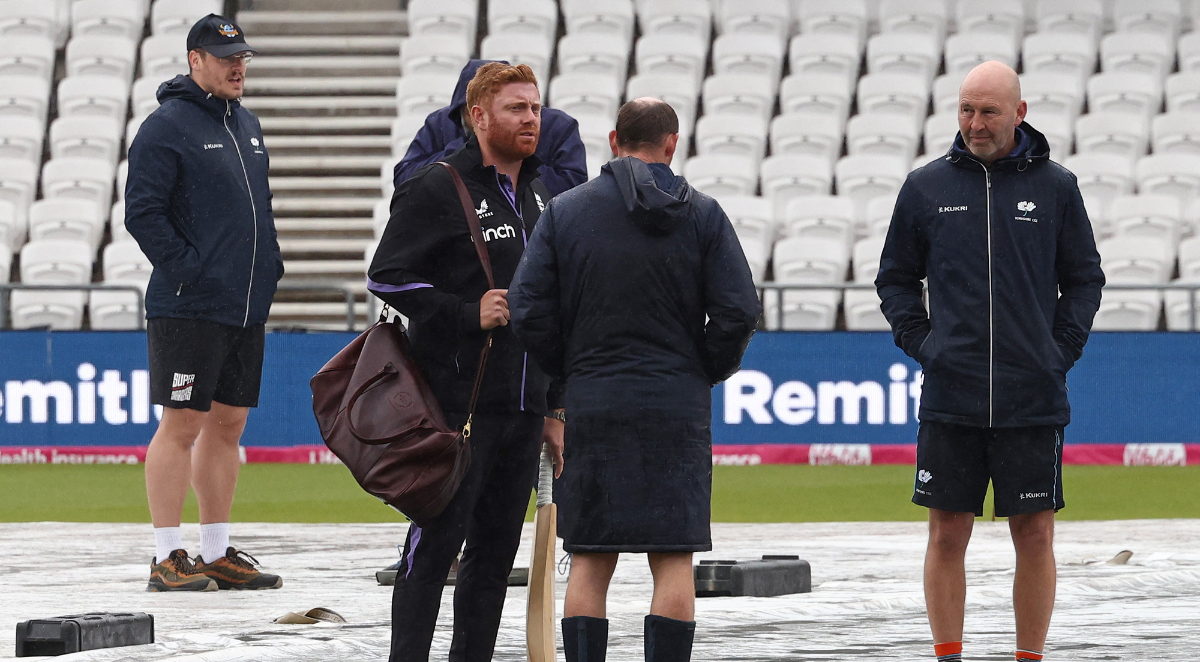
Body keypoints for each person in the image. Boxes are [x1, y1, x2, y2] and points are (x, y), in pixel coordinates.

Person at [509, 98, 762, 662]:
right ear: (672, 143)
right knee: (673, 557)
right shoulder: (703, 214)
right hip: (675, 403)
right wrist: (701, 366)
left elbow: (526, 308)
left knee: (592, 556)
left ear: (612, 139)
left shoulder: (566, 212)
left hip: (594, 401)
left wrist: (573, 366)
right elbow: (738, 311)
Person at [876, 61, 1105, 662]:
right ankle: (947, 654)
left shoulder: (1057, 188)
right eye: (966, 109)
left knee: (1033, 533)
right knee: (947, 533)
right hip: (951, 395)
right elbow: (895, 280)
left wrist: (1059, 352)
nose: (975, 123)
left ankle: (1028, 657)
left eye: (990, 111)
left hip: (1032, 395)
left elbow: (1084, 280)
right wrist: (925, 346)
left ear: (1019, 114)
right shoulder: (925, 187)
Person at [367, 62, 565, 662]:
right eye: (515, 108)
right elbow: (386, 277)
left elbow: (555, 308)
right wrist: (462, 311)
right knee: (434, 548)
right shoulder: (437, 185)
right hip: (459, 406)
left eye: (535, 108)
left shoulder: (542, 193)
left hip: (525, 407)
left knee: (494, 557)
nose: (531, 118)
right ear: (478, 117)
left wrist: (556, 407)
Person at [125, 14, 284, 592]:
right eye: (225, 58)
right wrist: (190, 271)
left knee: (229, 424)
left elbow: (257, 211)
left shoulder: (246, 124)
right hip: (189, 304)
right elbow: (142, 213)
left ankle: (215, 552)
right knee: (183, 423)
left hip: (243, 305)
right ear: (196, 60)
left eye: (241, 57)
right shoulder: (165, 126)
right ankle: (167, 556)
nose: (238, 66)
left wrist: (270, 267)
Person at [393, 58, 588, 197]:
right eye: (474, 111)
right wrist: (461, 154)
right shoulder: (440, 123)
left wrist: (510, 166)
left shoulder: (558, 126)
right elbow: (404, 179)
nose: (481, 118)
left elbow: (574, 190)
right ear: (465, 110)